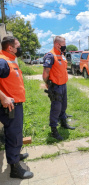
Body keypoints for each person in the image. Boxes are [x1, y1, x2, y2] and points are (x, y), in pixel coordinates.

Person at [0, 36, 33, 179]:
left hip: (16, 104)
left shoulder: (10, 60)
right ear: (10, 48)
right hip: (10, 106)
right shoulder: (2, 61)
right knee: (13, 135)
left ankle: (16, 155)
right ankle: (14, 168)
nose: (20, 49)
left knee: (17, 132)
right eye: (18, 46)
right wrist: (3, 97)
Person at [43, 36, 75, 141]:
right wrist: (48, 83)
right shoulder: (50, 55)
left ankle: (63, 123)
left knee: (63, 106)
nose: (65, 47)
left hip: (63, 85)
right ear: (57, 45)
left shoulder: (61, 55)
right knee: (56, 108)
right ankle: (53, 130)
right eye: (64, 44)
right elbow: (45, 73)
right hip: (55, 86)